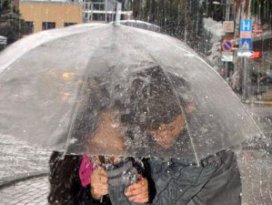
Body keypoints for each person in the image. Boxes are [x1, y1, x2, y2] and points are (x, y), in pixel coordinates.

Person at [122, 65, 242, 205]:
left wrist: (143, 192)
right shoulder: (140, 131)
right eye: (154, 129)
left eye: (171, 128)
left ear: (188, 107)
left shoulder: (205, 146)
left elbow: (165, 200)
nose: (164, 137)